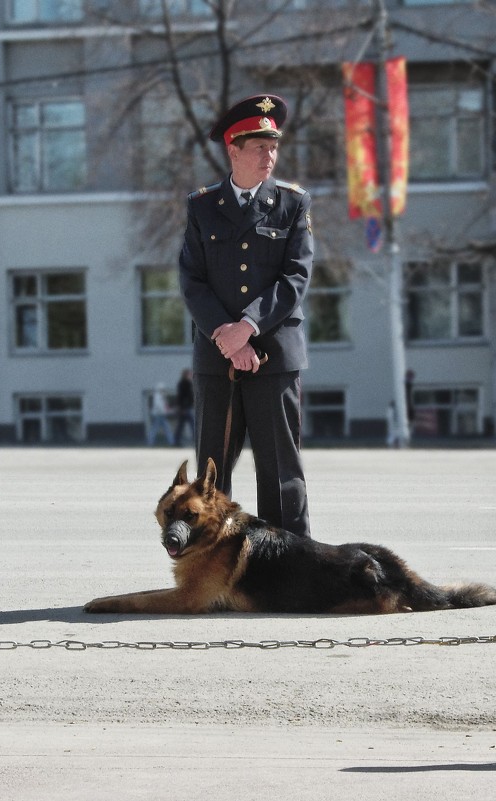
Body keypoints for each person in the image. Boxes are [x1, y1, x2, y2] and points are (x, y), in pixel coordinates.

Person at [178, 93, 313, 538]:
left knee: (280, 468)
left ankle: (290, 566)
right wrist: (226, 336)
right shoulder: (202, 206)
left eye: (273, 147)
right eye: (259, 148)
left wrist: (248, 329)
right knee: (212, 471)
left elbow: (295, 277)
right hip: (218, 356)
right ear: (233, 150)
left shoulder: (293, 204)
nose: (269, 156)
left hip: (275, 354)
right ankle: (213, 563)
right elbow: (193, 279)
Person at [173, 368, 195, 447]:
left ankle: (176, 441)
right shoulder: (185, 384)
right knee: (192, 425)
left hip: (184, 408)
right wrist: (182, 407)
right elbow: (183, 397)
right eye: (189, 374)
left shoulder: (184, 383)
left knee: (181, 425)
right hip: (185, 408)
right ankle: (196, 441)